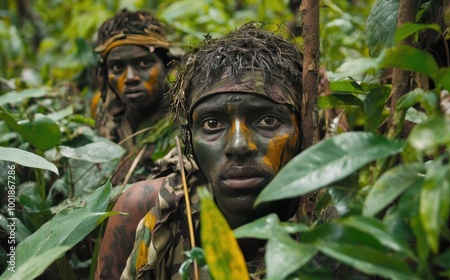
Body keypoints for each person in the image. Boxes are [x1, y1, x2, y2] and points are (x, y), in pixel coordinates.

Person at [95, 23, 304, 279]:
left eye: (267, 120)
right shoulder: (145, 211)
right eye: (212, 123)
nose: (238, 145)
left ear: (302, 130)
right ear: (190, 139)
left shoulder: (333, 223)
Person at [93, 9, 179, 185]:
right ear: (106, 75)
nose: (130, 77)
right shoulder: (105, 118)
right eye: (117, 68)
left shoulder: (186, 123)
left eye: (144, 63)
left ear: (167, 65)